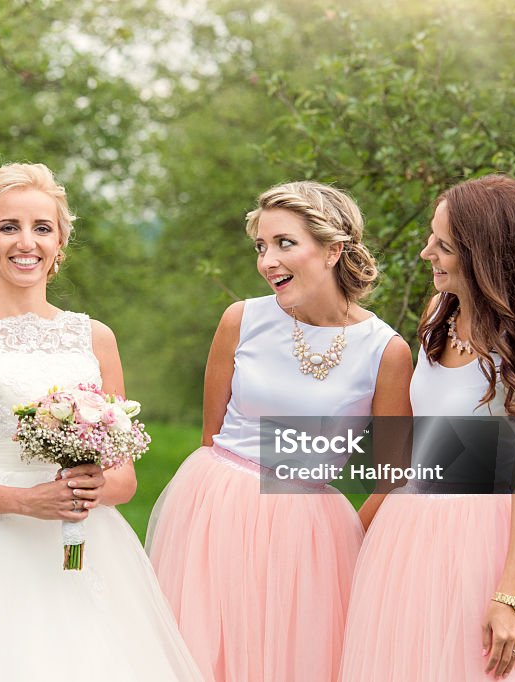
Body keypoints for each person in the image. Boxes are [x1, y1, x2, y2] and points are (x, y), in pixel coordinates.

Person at [0, 163, 202, 681]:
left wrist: (86, 486)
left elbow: (125, 479)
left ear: (60, 244)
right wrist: (24, 500)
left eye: (42, 228)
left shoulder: (95, 338)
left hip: (85, 546)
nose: (27, 242)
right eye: (9, 227)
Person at [146, 181, 413, 682]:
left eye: (284, 243)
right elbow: (213, 436)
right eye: (261, 246)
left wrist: (343, 536)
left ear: (333, 250)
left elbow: (392, 475)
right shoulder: (241, 320)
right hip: (215, 509)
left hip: (310, 532)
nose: (267, 260)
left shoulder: (386, 351)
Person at [339, 174, 515, 681]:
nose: (425, 253)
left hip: (484, 539)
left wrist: (510, 593)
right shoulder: (438, 314)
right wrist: (361, 522)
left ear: (485, 256)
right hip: (408, 530)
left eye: (443, 245)